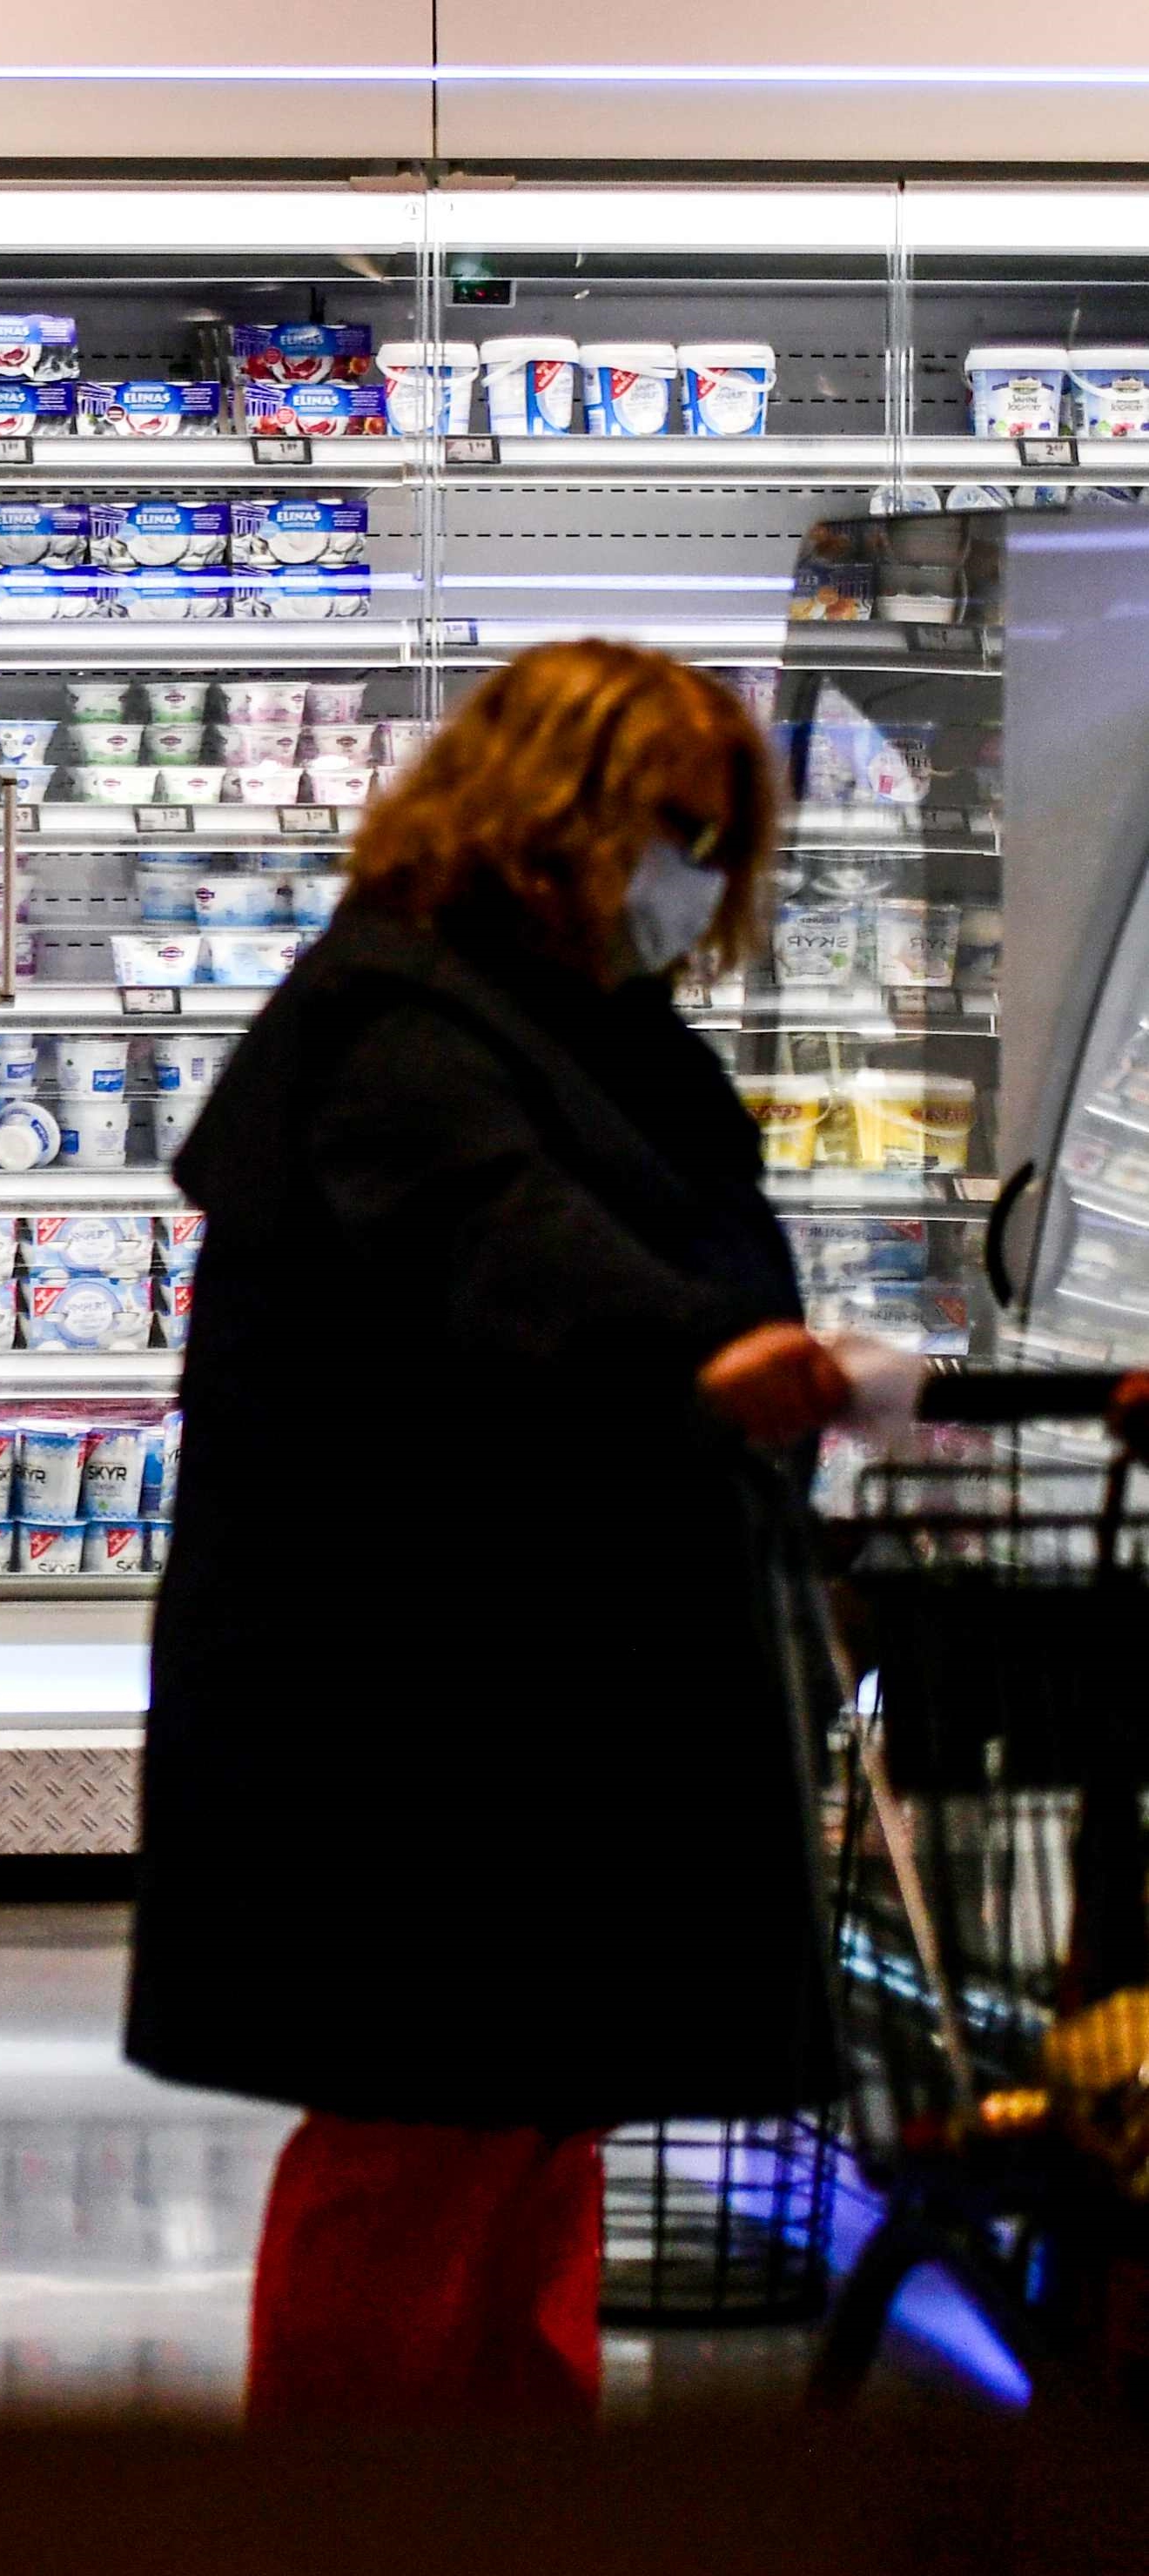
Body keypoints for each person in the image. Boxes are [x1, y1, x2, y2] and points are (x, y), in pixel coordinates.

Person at [125, 638, 878, 2427]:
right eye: (667, 829)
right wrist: (704, 1350)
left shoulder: (581, 1022)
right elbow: (500, 1231)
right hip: (406, 1696)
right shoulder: (398, 1017)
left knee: (536, 2124)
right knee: (419, 2132)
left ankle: (502, 2562)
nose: (692, 875)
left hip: (532, 1682)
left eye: (716, 836)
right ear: (555, 817)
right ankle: (340, 2561)